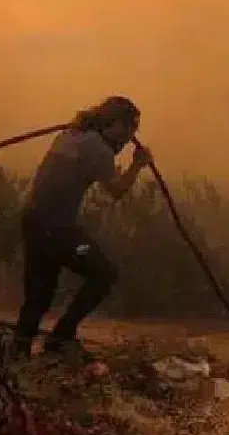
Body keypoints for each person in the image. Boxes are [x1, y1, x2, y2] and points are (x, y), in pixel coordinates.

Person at [13, 96, 151, 358]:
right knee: (103, 274)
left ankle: (19, 350)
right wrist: (137, 164)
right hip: (56, 227)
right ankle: (61, 338)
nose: (130, 136)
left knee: (39, 293)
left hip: (34, 220)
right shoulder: (96, 148)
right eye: (129, 129)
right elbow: (117, 190)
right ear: (114, 123)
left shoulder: (71, 135)